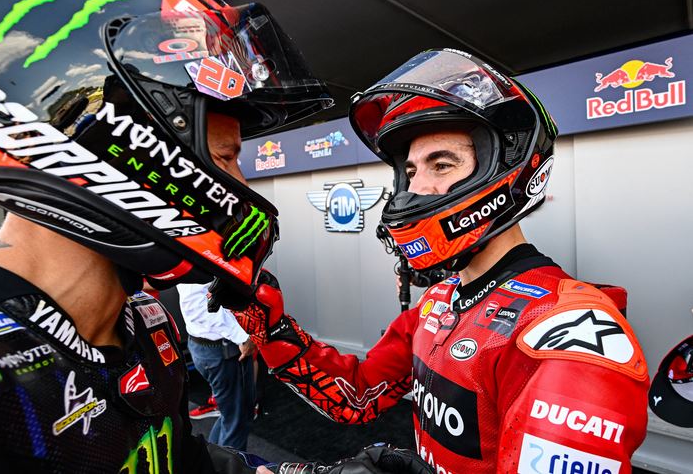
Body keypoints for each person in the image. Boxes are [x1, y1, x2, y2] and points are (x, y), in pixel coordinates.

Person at [0, 0, 332, 472]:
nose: (240, 186)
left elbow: (182, 460)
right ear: (119, 137)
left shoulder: (146, 321)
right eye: (225, 157)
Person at [216, 49, 650, 473]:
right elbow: (357, 397)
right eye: (410, 171)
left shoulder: (567, 335)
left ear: (505, 171)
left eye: (441, 165)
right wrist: (268, 325)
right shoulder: (441, 299)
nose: (416, 188)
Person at [179, 279, 257, 450]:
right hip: (220, 348)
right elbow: (198, 307)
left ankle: (213, 460)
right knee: (237, 419)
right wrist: (241, 336)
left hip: (214, 346)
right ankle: (228, 463)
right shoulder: (196, 267)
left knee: (231, 415)